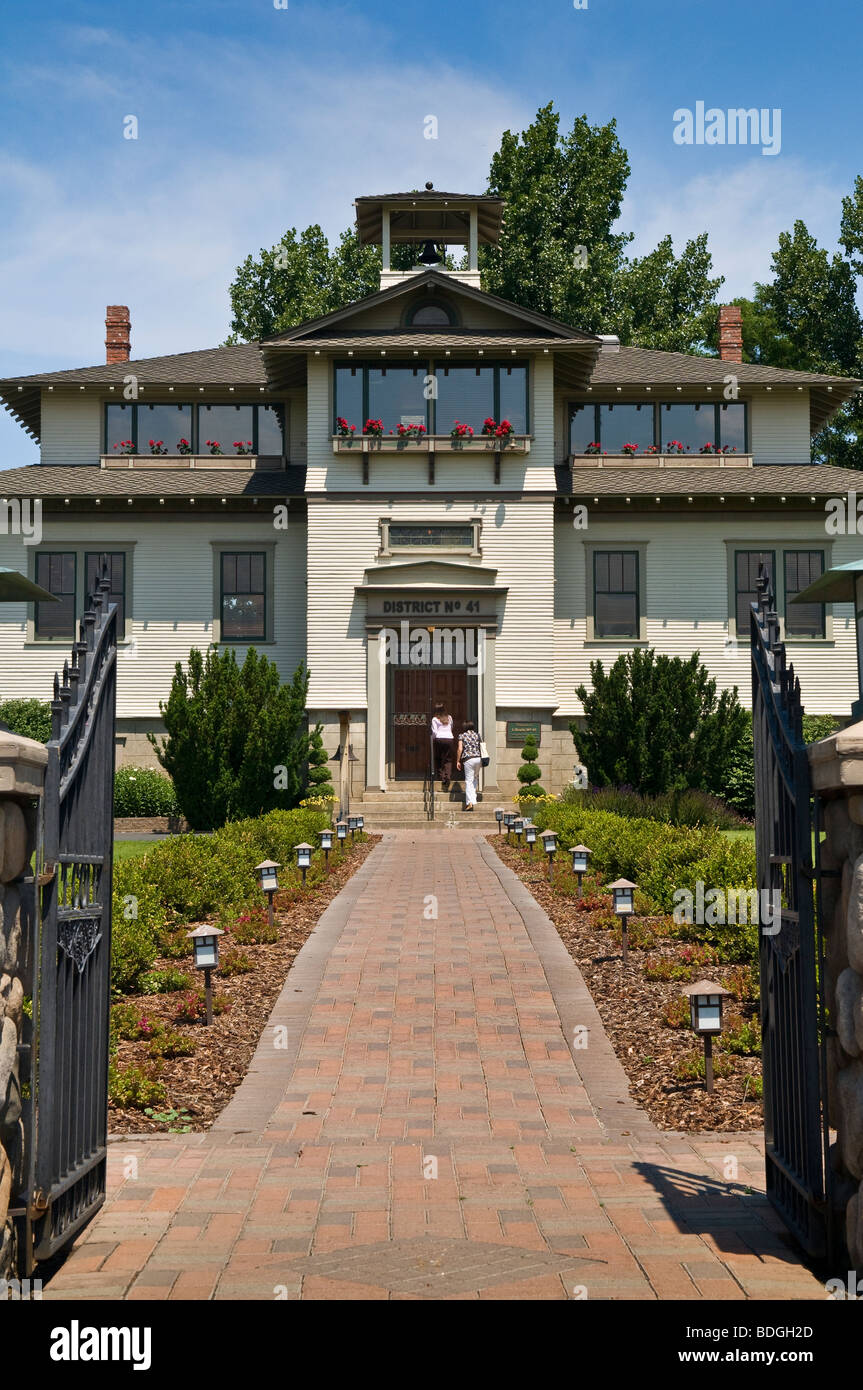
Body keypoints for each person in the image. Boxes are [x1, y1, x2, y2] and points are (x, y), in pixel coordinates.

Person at [456, 720, 482, 811]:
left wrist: (458, 761)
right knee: (475, 778)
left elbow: (460, 749)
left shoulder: (462, 735)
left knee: (468, 781)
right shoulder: (477, 735)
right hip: (478, 758)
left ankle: (470, 802)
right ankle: (473, 798)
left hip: (468, 759)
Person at [431, 704, 454, 790]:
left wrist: (434, 739)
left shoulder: (435, 719)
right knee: (448, 759)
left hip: (439, 739)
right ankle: (448, 776)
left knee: (438, 758)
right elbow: (451, 727)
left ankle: (442, 777)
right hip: (449, 739)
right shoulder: (449, 717)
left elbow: (434, 731)